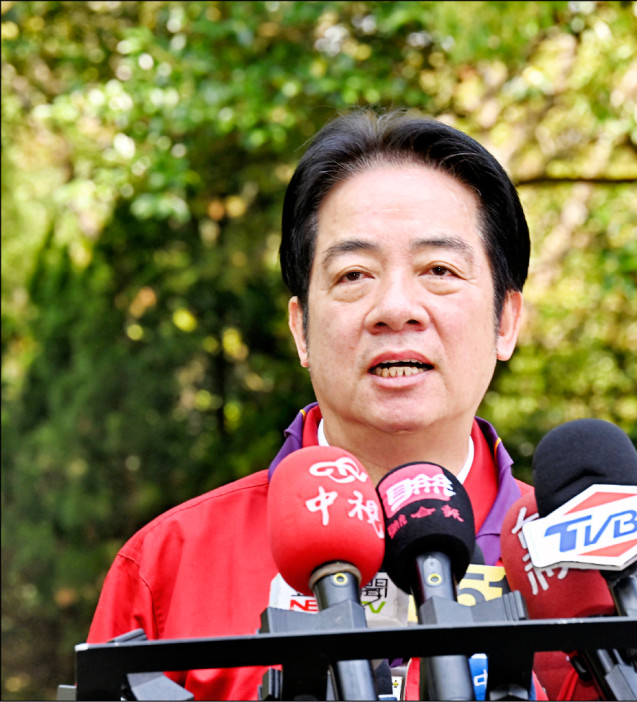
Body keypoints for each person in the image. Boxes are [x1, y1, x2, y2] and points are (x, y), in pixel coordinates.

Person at [87, 108, 551, 700]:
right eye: (354, 275)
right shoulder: (169, 566)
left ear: (505, 321)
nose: (395, 309)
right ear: (301, 328)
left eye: (439, 269)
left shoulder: (586, 568)